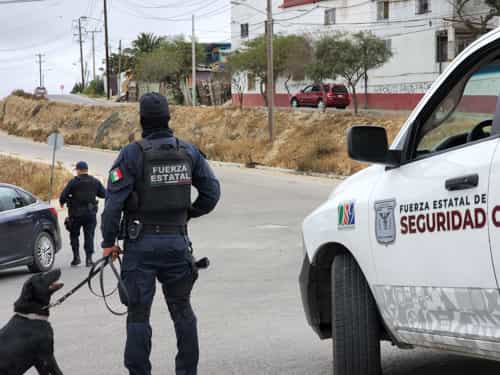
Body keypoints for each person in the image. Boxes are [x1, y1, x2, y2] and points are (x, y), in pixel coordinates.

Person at [101, 92, 221, 375]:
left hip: (140, 246)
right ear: (169, 118)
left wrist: (108, 243)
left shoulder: (131, 154)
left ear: (142, 120)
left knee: (138, 316)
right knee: (182, 311)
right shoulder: (188, 151)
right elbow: (212, 193)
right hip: (177, 243)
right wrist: (188, 214)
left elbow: (113, 204)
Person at [60, 161, 106, 267]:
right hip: (90, 214)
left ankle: (76, 258)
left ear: (79, 170)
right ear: (87, 170)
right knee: (89, 236)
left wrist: (63, 202)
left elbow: (63, 195)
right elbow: (104, 194)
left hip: (76, 214)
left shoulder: (73, 182)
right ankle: (89, 259)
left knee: (74, 235)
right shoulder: (95, 181)